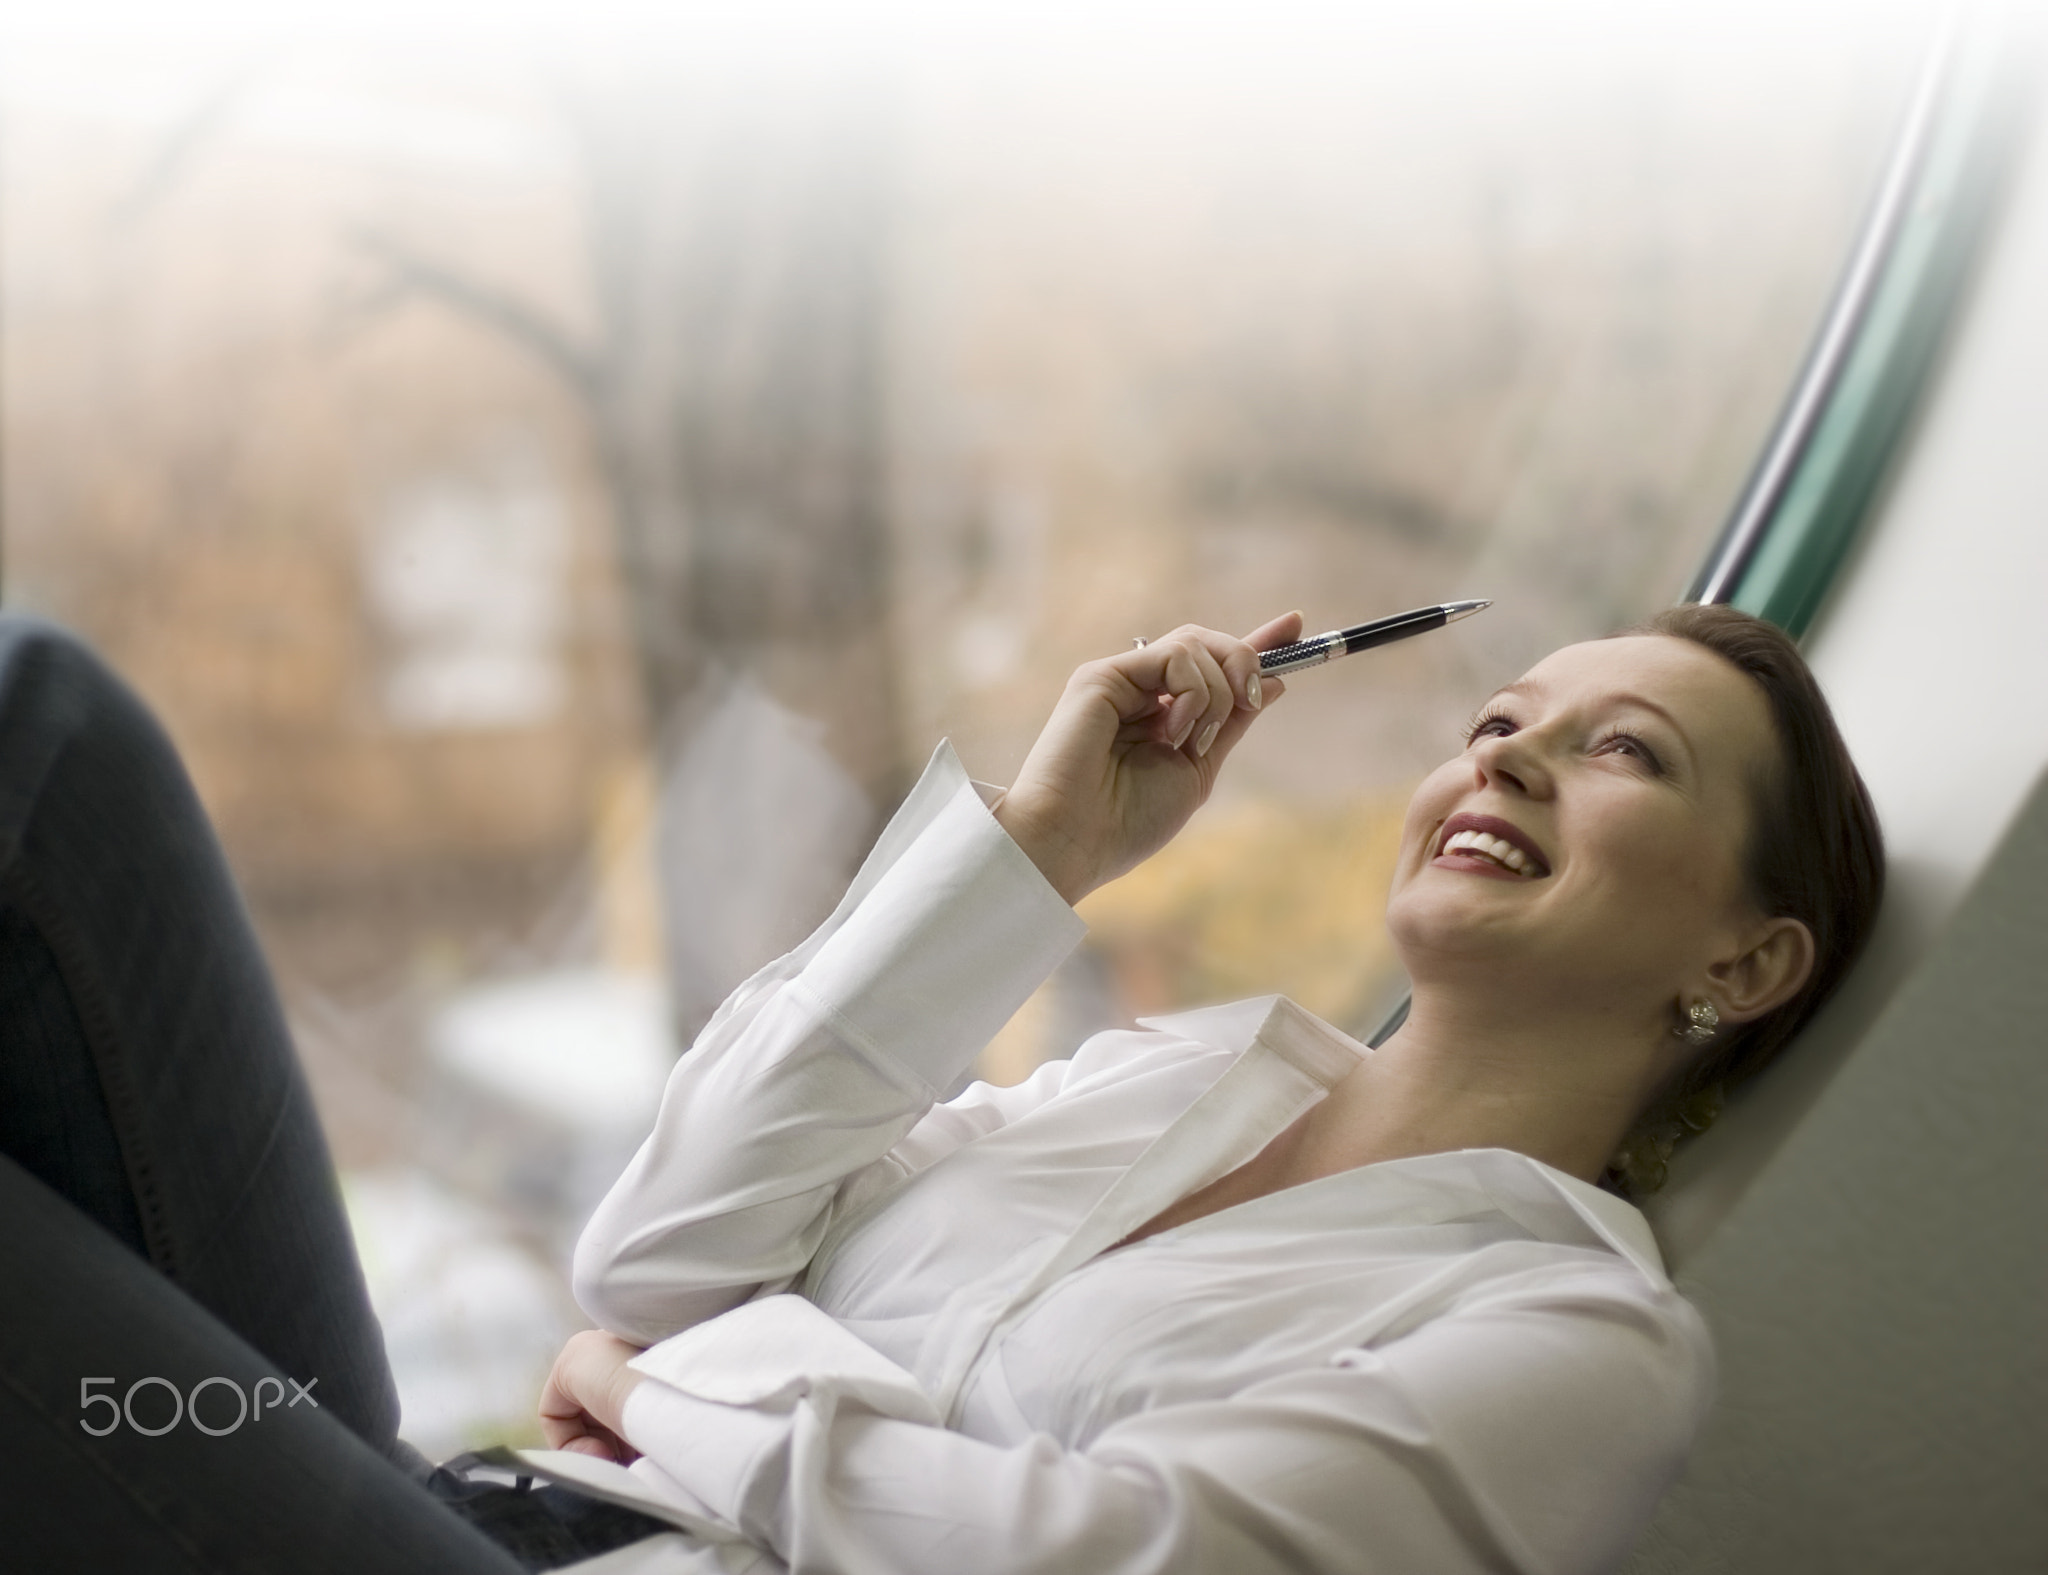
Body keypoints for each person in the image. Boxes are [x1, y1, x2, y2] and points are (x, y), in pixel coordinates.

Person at [537, 603, 1885, 1573]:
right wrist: (1041, 852)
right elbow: (659, 1258)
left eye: (1628, 751)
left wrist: (655, 1395)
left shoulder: (1583, 1338)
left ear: (1749, 963)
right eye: (1496, 719)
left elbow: (1096, 1557)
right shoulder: (1166, 1067)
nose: (1505, 759)